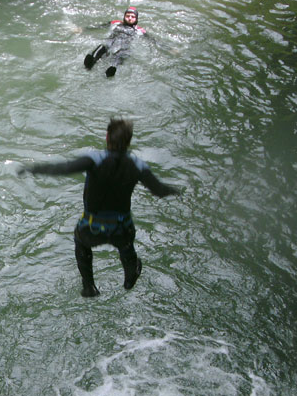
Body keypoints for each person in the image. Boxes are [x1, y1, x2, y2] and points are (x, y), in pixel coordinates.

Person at [19, 118, 183, 297]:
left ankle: (89, 286)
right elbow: (158, 190)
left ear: (107, 137)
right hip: (122, 229)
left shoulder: (94, 160)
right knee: (127, 247)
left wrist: (34, 169)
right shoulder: (138, 166)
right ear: (129, 141)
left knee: (81, 243)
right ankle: (129, 279)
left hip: (91, 229)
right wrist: (176, 191)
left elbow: (64, 168)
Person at [83, 6, 149, 78]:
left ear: (136, 19)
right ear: (124, 16)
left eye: (132, 17)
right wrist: (83, 29)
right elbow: (99, 27)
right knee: (102, 47)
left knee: (119, 55)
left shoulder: (139, 30)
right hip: (111, 42)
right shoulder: (115, 22)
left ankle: (112, 68)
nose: (130, 18)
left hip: (124, 46)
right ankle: (91, 61)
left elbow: (151, 40)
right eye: (128, 16)